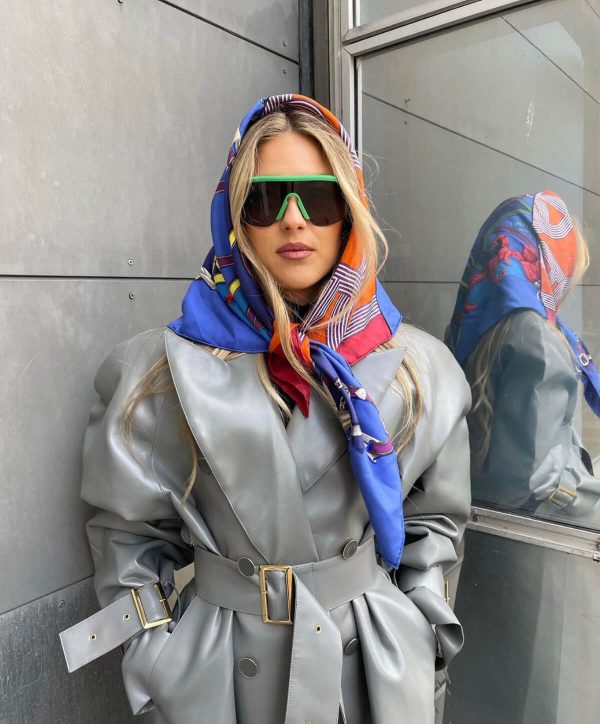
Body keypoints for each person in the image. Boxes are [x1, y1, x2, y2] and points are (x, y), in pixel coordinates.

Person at [59, 94, 471, 724]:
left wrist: (424, 637)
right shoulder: (157, 373)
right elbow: (127, 538)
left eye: (320, 199)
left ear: (350, 210)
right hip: (218, 677)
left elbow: (436, 526)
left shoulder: (422, 371)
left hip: (373, 668)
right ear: (236, 214)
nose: (294, 220)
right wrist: (156, 664)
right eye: (266, 198)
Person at [447, 191, 600, 522]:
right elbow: (537, 479)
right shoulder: (536, 336)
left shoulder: (469, 325)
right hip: (534, 530)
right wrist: (590, 497)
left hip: (472, 508)